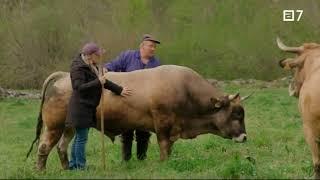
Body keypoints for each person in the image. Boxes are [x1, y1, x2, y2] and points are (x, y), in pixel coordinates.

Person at [66, 42, 132, 170]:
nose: (100, 57)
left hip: (87, 107)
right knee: (81, 139)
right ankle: (80, 166)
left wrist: (119, 90)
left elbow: (104, 82)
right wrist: (97, 81)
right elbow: (78, 88)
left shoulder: (91, 65)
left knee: (79, 137)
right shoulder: (78, 68)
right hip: (80, 108)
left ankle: (74, 165)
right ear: (90, 55)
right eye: (98, 55)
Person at [104, 34, 161, 161]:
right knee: (127, 132)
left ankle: (141, 157)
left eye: (154, 47)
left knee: (144, 133)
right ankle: (127, 158)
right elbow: (113, 64)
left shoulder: (156, 63)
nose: (153, 49)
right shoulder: (128, 56)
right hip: (127, 101)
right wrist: (106, 68)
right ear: (142, 46)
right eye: (151, 46)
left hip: (145, 104)